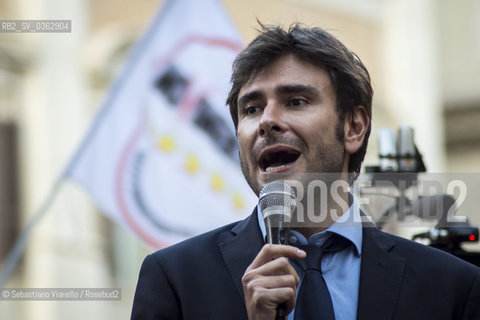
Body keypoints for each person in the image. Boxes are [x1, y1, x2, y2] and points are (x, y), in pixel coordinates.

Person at [131, 24, 480, 320]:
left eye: (296, 101)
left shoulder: (450, 286)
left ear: (354, 127)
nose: (266, 121)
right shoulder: (175, 279)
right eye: (251, 109)